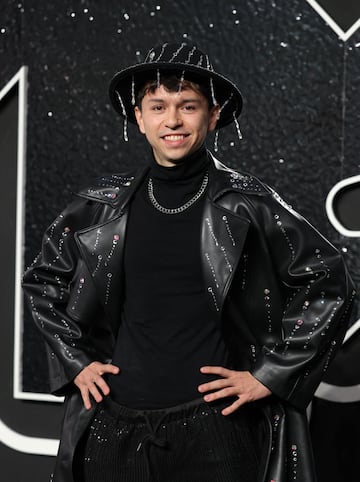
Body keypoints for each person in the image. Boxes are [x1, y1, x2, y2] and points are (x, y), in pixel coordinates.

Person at [23, 42, 356, 482]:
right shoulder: (99, 207)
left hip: (217, 431)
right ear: (139, 118)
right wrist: (76, 362)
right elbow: (42, 282)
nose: (173, 120)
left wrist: (269, 376)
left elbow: (330, 284)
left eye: (188, 105)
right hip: (113, 428)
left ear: (213, 115)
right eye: (157, 106)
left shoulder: (247, 205)